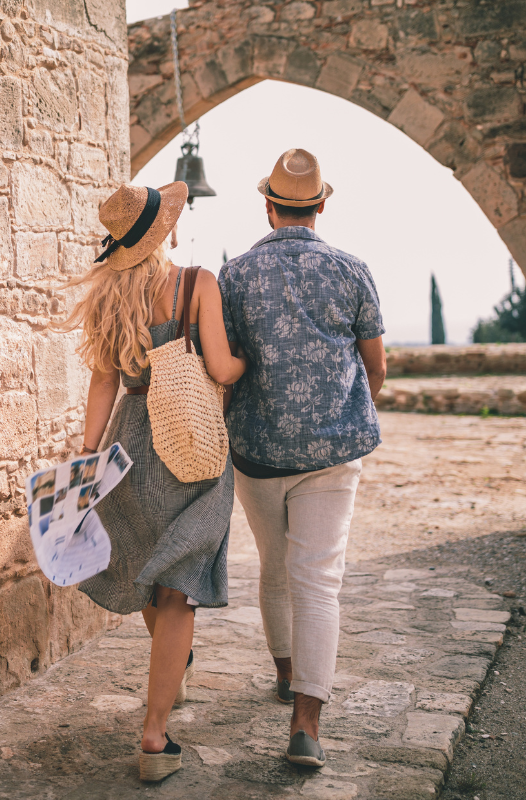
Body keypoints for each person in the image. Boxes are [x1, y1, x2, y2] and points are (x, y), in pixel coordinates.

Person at [55, 181, 248, 782]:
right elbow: (220, 366)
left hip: (129, 450)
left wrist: (87, 459)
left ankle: (170, 676)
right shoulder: (197, 285)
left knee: (147, 566)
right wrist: (244, 364)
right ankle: (153, 734)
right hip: (190, 448)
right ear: (164, 233)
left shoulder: (112, 301)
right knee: (178, 585)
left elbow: (102, 386)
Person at [219, 148, 387, 768]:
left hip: (258, 452)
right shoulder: (352, 270)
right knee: (319, 581)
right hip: (333, 452)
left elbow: (227, 370)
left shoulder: (234, 275)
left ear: (268, 206)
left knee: (273, 566)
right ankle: (306, 724)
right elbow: (376, 369)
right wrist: (339, 417)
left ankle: (287, 674)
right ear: (321, 204)